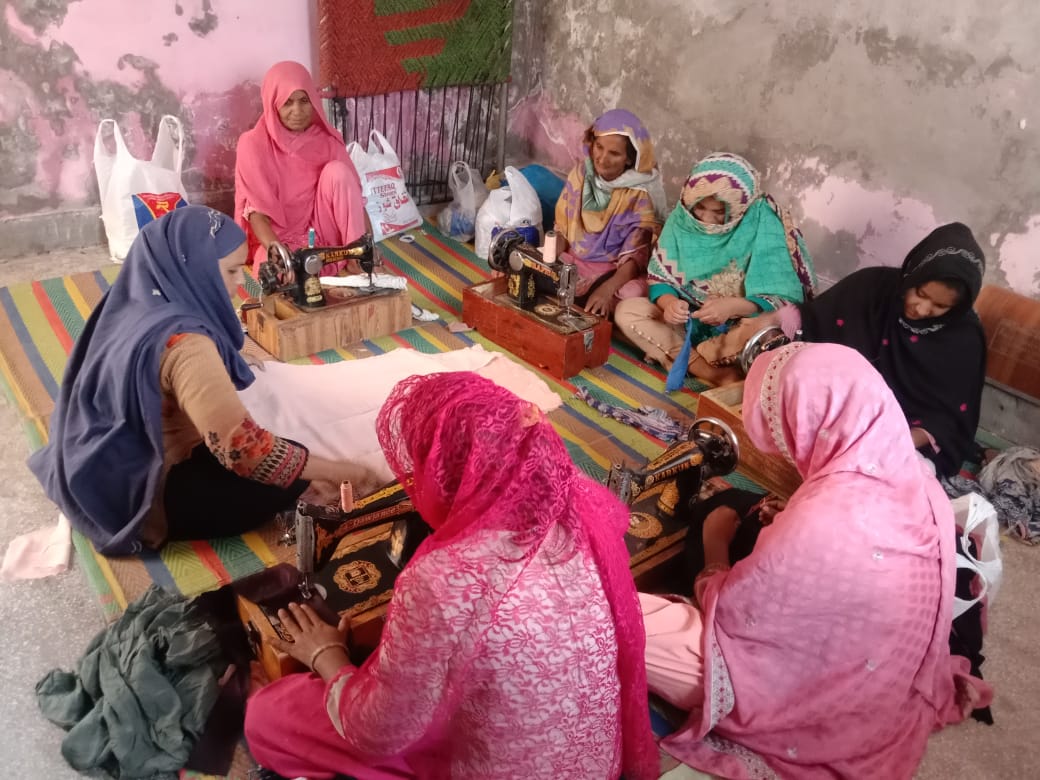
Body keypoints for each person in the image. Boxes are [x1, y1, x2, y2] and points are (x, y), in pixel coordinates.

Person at [244, 372, 658, 780]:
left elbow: (377, 732)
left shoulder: (442, 580)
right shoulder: (582, 514)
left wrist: (326, 656)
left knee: (271, 714)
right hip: (595, 767)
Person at [639, 342, 992, 779]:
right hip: (886, 678)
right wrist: (787, 523)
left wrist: (715, 547)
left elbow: (732, 614)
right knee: (747, 512)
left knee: (629, 624)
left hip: (804, 698)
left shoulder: (825, 515)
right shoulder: (916, 475)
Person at [28, 206, 378, 556]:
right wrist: (344, 471)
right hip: (137, 496)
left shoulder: (135, 298)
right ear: (192, 270)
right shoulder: (185, 343)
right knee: (284, 473)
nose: (241, 282)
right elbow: (242, 450)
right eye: (230, 270)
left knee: (289, 455)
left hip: (90, 464)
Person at [752, 222, 987, 477]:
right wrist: (768, 321)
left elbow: (948, 421)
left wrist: (888, 443)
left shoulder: (964, 341)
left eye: (939, 306)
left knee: (887, 479)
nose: (921, 309)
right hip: (835, 411)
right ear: (914, 273)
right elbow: (813, 319)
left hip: (899, 435)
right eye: (920, 293)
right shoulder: (873, 288)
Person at [614, 152, 815, 388]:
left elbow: (783, 297)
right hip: (689, 322)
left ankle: (684, 357)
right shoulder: (682, 217)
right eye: (700, 209)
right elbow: (660, 277)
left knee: (774, 326)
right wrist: (668, 304)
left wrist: (733, 307)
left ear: (741, 208)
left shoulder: (763, 222)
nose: (707, 219)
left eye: (719, 213)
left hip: (736, 327)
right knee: (628, 311)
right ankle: (712, 373)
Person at [235, 60, 368, 275]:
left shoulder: (328, 141)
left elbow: (355, 202)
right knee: (274, 275)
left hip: (324, 236)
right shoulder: (253, 145)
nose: (297, 110)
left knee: (338, 172)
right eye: (287, 102)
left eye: (304, 100)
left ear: (313, 101)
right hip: (279, 239)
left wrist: (366, 247)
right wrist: (278, 253)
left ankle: (354, 259)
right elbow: (256, 213)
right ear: (273, 103)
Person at [553, 109, 666, 317]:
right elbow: (561, 228)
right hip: (572, 259)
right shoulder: (580, 174)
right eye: (599, 147)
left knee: (632, 294)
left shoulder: (638, 195)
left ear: (630, 159)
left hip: (612, 270)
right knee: (531, 265)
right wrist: (547, 263)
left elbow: (636, 257)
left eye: (614, 153)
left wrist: (606, 290)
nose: (602, 159)